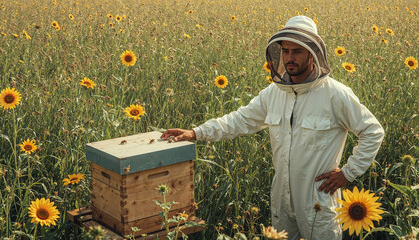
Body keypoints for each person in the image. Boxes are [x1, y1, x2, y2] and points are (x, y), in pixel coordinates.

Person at [160, 16, 384, 240]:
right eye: (285, 51)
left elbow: (373, 131)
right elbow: (240, 120)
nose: (289, 58)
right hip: (281, 196)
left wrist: (348, 173)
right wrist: (196, 132)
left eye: (297, 51)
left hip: (318, 198)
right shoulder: (275, 93)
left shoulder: (335, 94)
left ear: (312, 53)